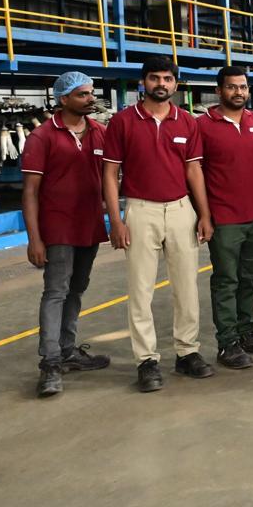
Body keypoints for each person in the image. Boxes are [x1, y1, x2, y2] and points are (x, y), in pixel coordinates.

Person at [102, 57, 215, 392]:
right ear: (143, 82)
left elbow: (194, 171)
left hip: (181, 209)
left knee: (187, 287)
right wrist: (116, 219)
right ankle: (147, 360)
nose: (161, 84)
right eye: (154, 78)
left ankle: (187, 352)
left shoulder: (187, 122)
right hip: (141, 211)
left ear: (175, 84)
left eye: (167, 79)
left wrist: (204, 214)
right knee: (141, 290)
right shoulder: (122, 122)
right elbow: (110, 173)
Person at [22, 71, 110, 398]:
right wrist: (34, 239)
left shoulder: (99, 132)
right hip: (57, 227)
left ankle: (67, 349)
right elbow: (30, 192)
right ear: (63, 99)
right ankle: (50, 363)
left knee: (77, 289)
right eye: (83, 94)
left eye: (91, 93)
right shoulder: (42, 137)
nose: (90, 99)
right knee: (56, 292)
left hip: (89, 226)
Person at [199, 66, 253, 370]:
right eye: (232, 87)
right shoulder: (203, 126)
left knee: (250, 278)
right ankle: (227, 342)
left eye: (243, 87)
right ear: (219, 91)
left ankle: (247, 331)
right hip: (224, 219)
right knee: (226, 281)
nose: (238, 92)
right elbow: (194, 173)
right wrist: (204, 215)